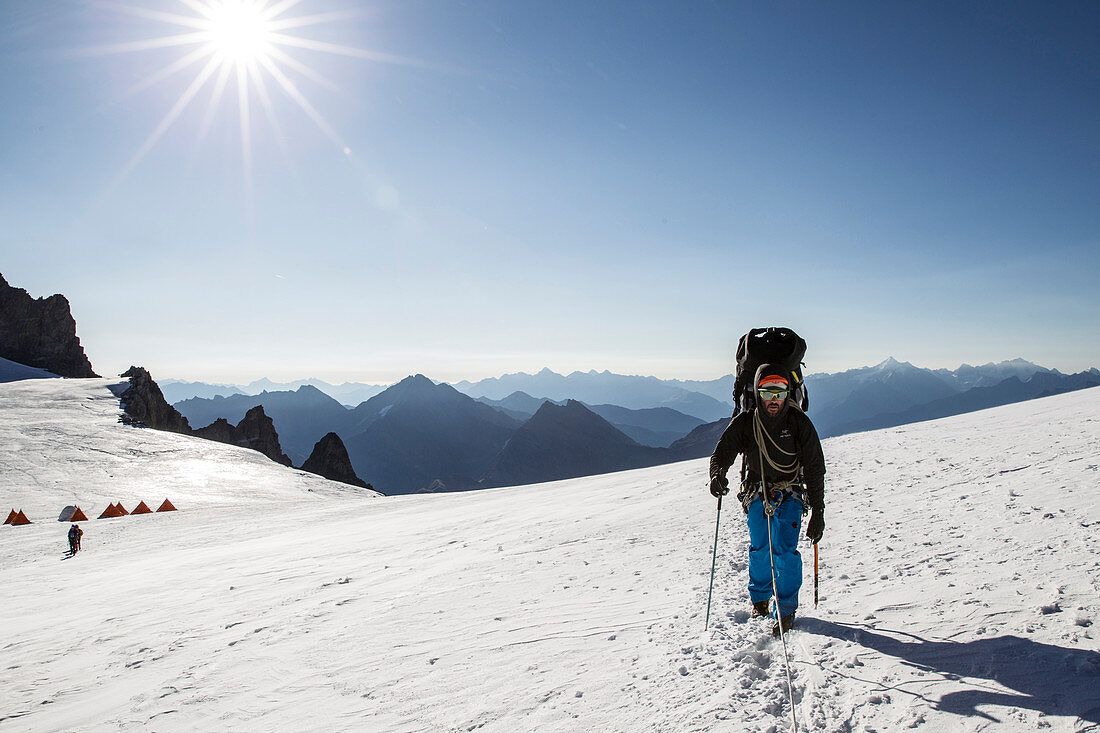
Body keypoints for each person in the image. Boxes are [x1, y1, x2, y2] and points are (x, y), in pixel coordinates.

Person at [709, 363, 826, 636]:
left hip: (791, 492)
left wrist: (818, 511)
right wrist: (717, 474)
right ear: (757, 392)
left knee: (784, 551)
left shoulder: (798, 423)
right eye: (767, 392)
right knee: (761, 547)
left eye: (780, 392)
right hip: (757, 491)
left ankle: (785, 610)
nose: (774, 400)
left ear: (788, 393)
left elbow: (814, 468)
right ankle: (760, 598)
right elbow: (722, 453)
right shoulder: (747, 422)